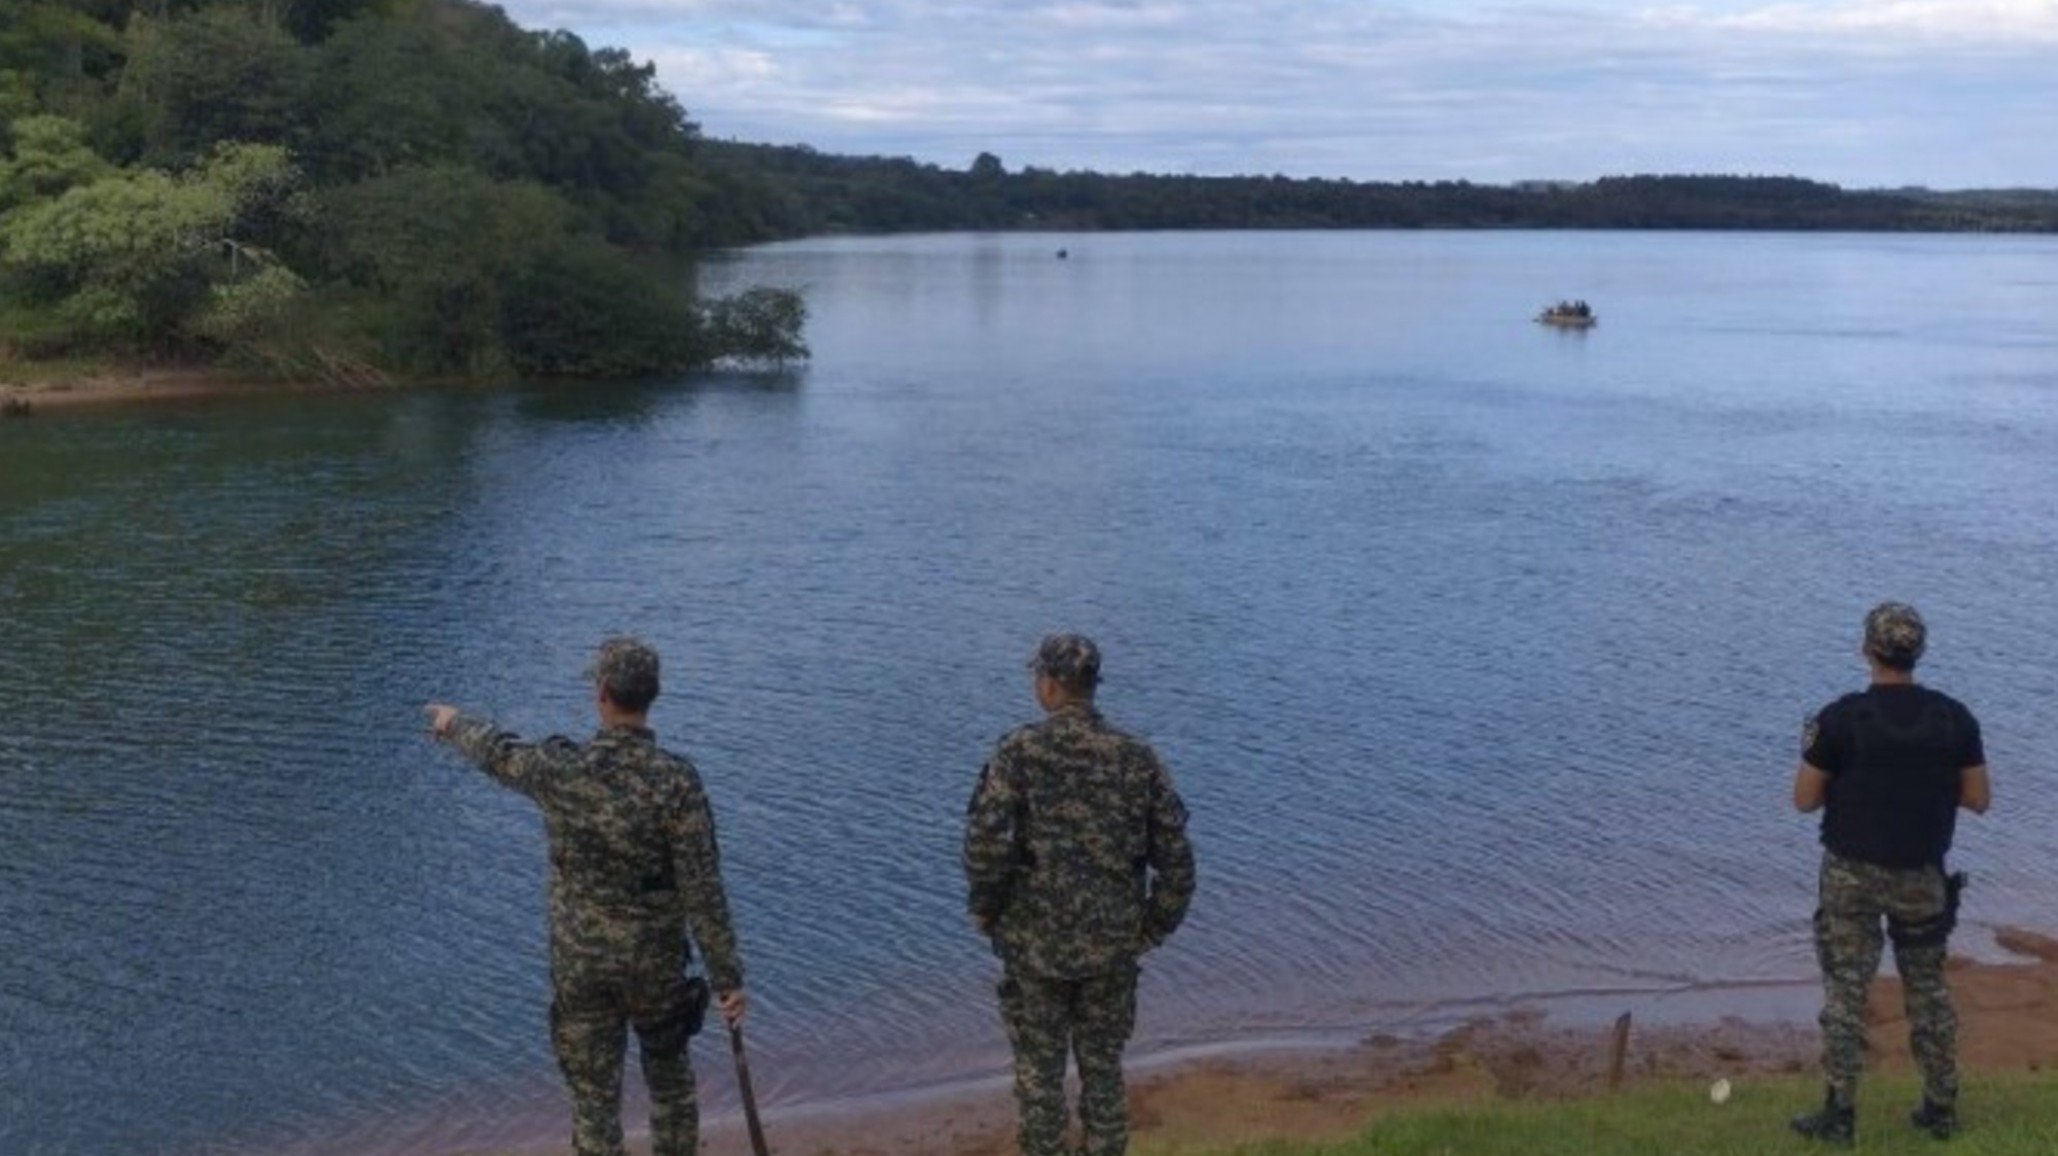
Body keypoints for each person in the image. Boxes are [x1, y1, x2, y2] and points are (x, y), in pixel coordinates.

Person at [424, 637, 746, 1156]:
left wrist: (452, 723)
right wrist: (727, 978)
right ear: (652, 696)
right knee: (670, 1088)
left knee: (594, 1101)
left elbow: (499, 752)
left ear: (601, 694)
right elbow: (703, 889)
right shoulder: (677, 782)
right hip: (656, 967)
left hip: (583, 969)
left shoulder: (563, 770)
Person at [964, 633, 1196, 1156]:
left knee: (1040, 1082)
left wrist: (986, 911)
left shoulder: (1019, 752)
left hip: (1035, 949)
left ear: (1048, 685)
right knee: (1103, 1073)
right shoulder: (1138, 759)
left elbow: (984, 845)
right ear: (1090, 687)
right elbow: (1178, 866)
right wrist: (1150, 929)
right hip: (1112, 949)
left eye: (1036, 677)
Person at [1789, 602, 1990, 1144]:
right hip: (1921, 874)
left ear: (1867, 650)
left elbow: (1804, 801)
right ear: (1917, 653)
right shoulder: (1955, 718)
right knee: (1928, 992)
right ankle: (1940, 1107)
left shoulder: (1840, 717)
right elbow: (1978, 799)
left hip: (1850, 874)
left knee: (1846, 993)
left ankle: (1839, 1113)